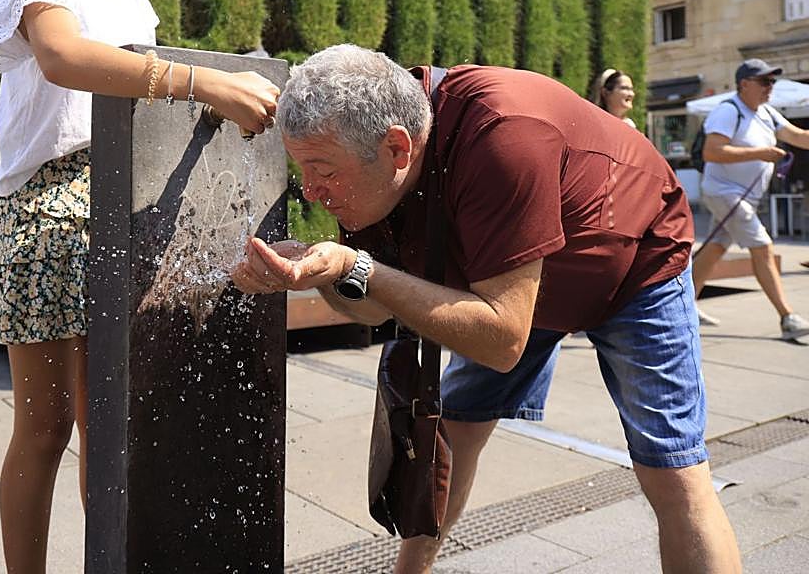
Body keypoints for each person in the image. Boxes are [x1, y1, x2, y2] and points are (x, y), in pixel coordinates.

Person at [232, 45, 741, 574]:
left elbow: (501, 341)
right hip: (505, 284)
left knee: (673, 472)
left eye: (322, 172)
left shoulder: (503, 136)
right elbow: (370, 312)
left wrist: (359, 269)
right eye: (304, 171)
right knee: (455, 431)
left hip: (634, 258)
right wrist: (326, 274)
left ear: (397, 148)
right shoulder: (368, 150)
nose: (312, 193)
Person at [0, 0, 280, 574]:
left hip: (121, 200)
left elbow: (137, 100)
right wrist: (202, 83)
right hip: (47, 204)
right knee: (45, 427)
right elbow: (63, 57)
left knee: (109, 427)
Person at [691, 59, 809, 338]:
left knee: (715, 248)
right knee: (763, 247)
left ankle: (683, 305)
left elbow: (800, 136)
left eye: (772, 82)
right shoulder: (728, 111)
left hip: (742, 197)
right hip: (725, 193)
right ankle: (787, 317)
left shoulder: (767, 113)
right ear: (744, 84)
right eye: (764, 81)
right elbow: (713, 152)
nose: (771, 87)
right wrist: (761, 153)